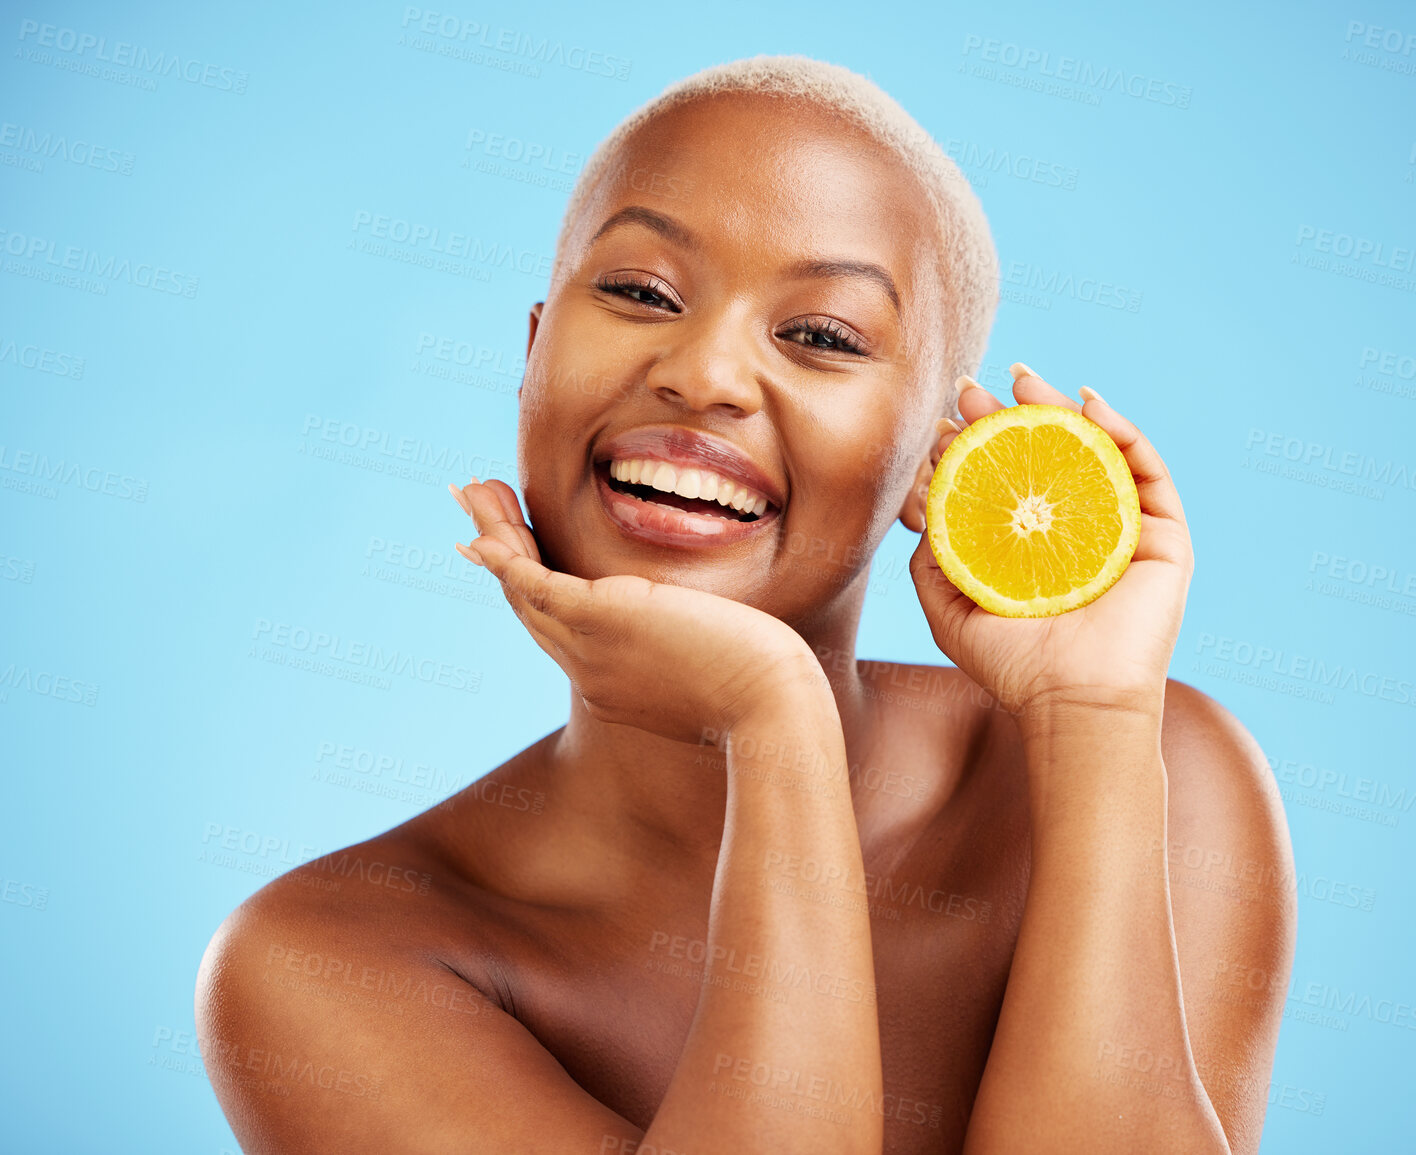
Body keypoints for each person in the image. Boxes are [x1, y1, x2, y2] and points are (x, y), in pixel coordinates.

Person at [196, 55, 1295, 1155]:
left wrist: (1095, 726)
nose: (706, 373)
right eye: (640, 293)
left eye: (821, 335)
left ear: (933, 465)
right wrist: (773, 726)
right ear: (532, 358)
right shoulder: (322, 962)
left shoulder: (1161, 771)